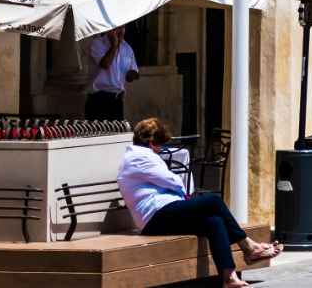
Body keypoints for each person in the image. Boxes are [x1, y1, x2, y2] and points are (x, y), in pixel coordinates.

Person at [119, 116, 280, 288]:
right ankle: (248, 246)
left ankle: (229, 277)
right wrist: (183, 192)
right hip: (155, 215)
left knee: (214, 222)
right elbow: (173, 181)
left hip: (162, 213)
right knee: (213, 201)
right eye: (160, 145)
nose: (161, 150)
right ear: (152, 143)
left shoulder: (139, 156)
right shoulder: (140, 158)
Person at [85, 26, 140, 121]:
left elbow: (132, 73)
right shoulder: (97, 43)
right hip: (98, 99)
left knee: (116, 133)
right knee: (98, 133)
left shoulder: (127, 48)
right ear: (109, 29)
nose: (121, 31)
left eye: (123, 27)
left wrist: (133, 74)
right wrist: (114, 46)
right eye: (117, 28)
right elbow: (105, 64)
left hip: (117, 100)